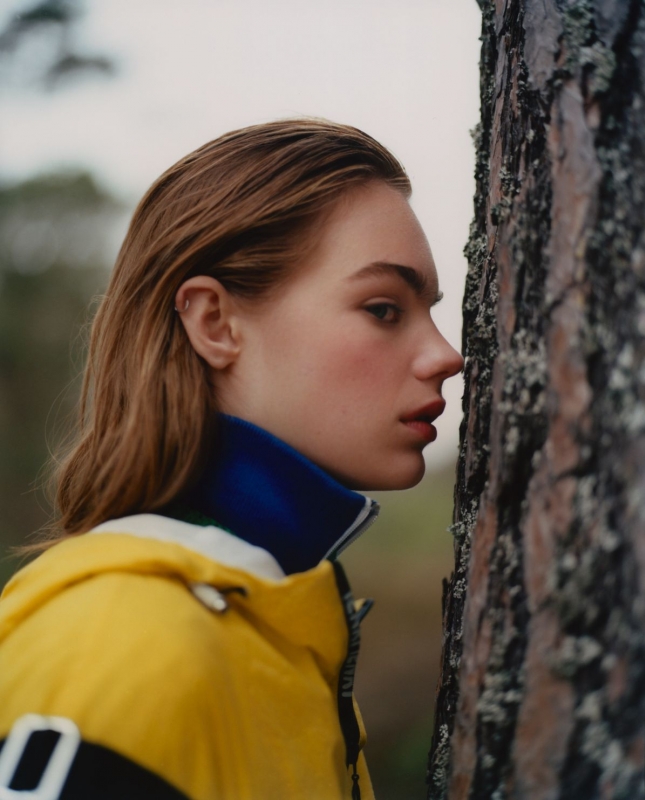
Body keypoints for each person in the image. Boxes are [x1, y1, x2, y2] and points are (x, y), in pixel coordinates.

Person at [0, 119, 463, 800]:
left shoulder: (283, 633)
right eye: (383, 309)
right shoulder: (118, 641)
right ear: (214, 323)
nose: (446, 355)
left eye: (428, 310)